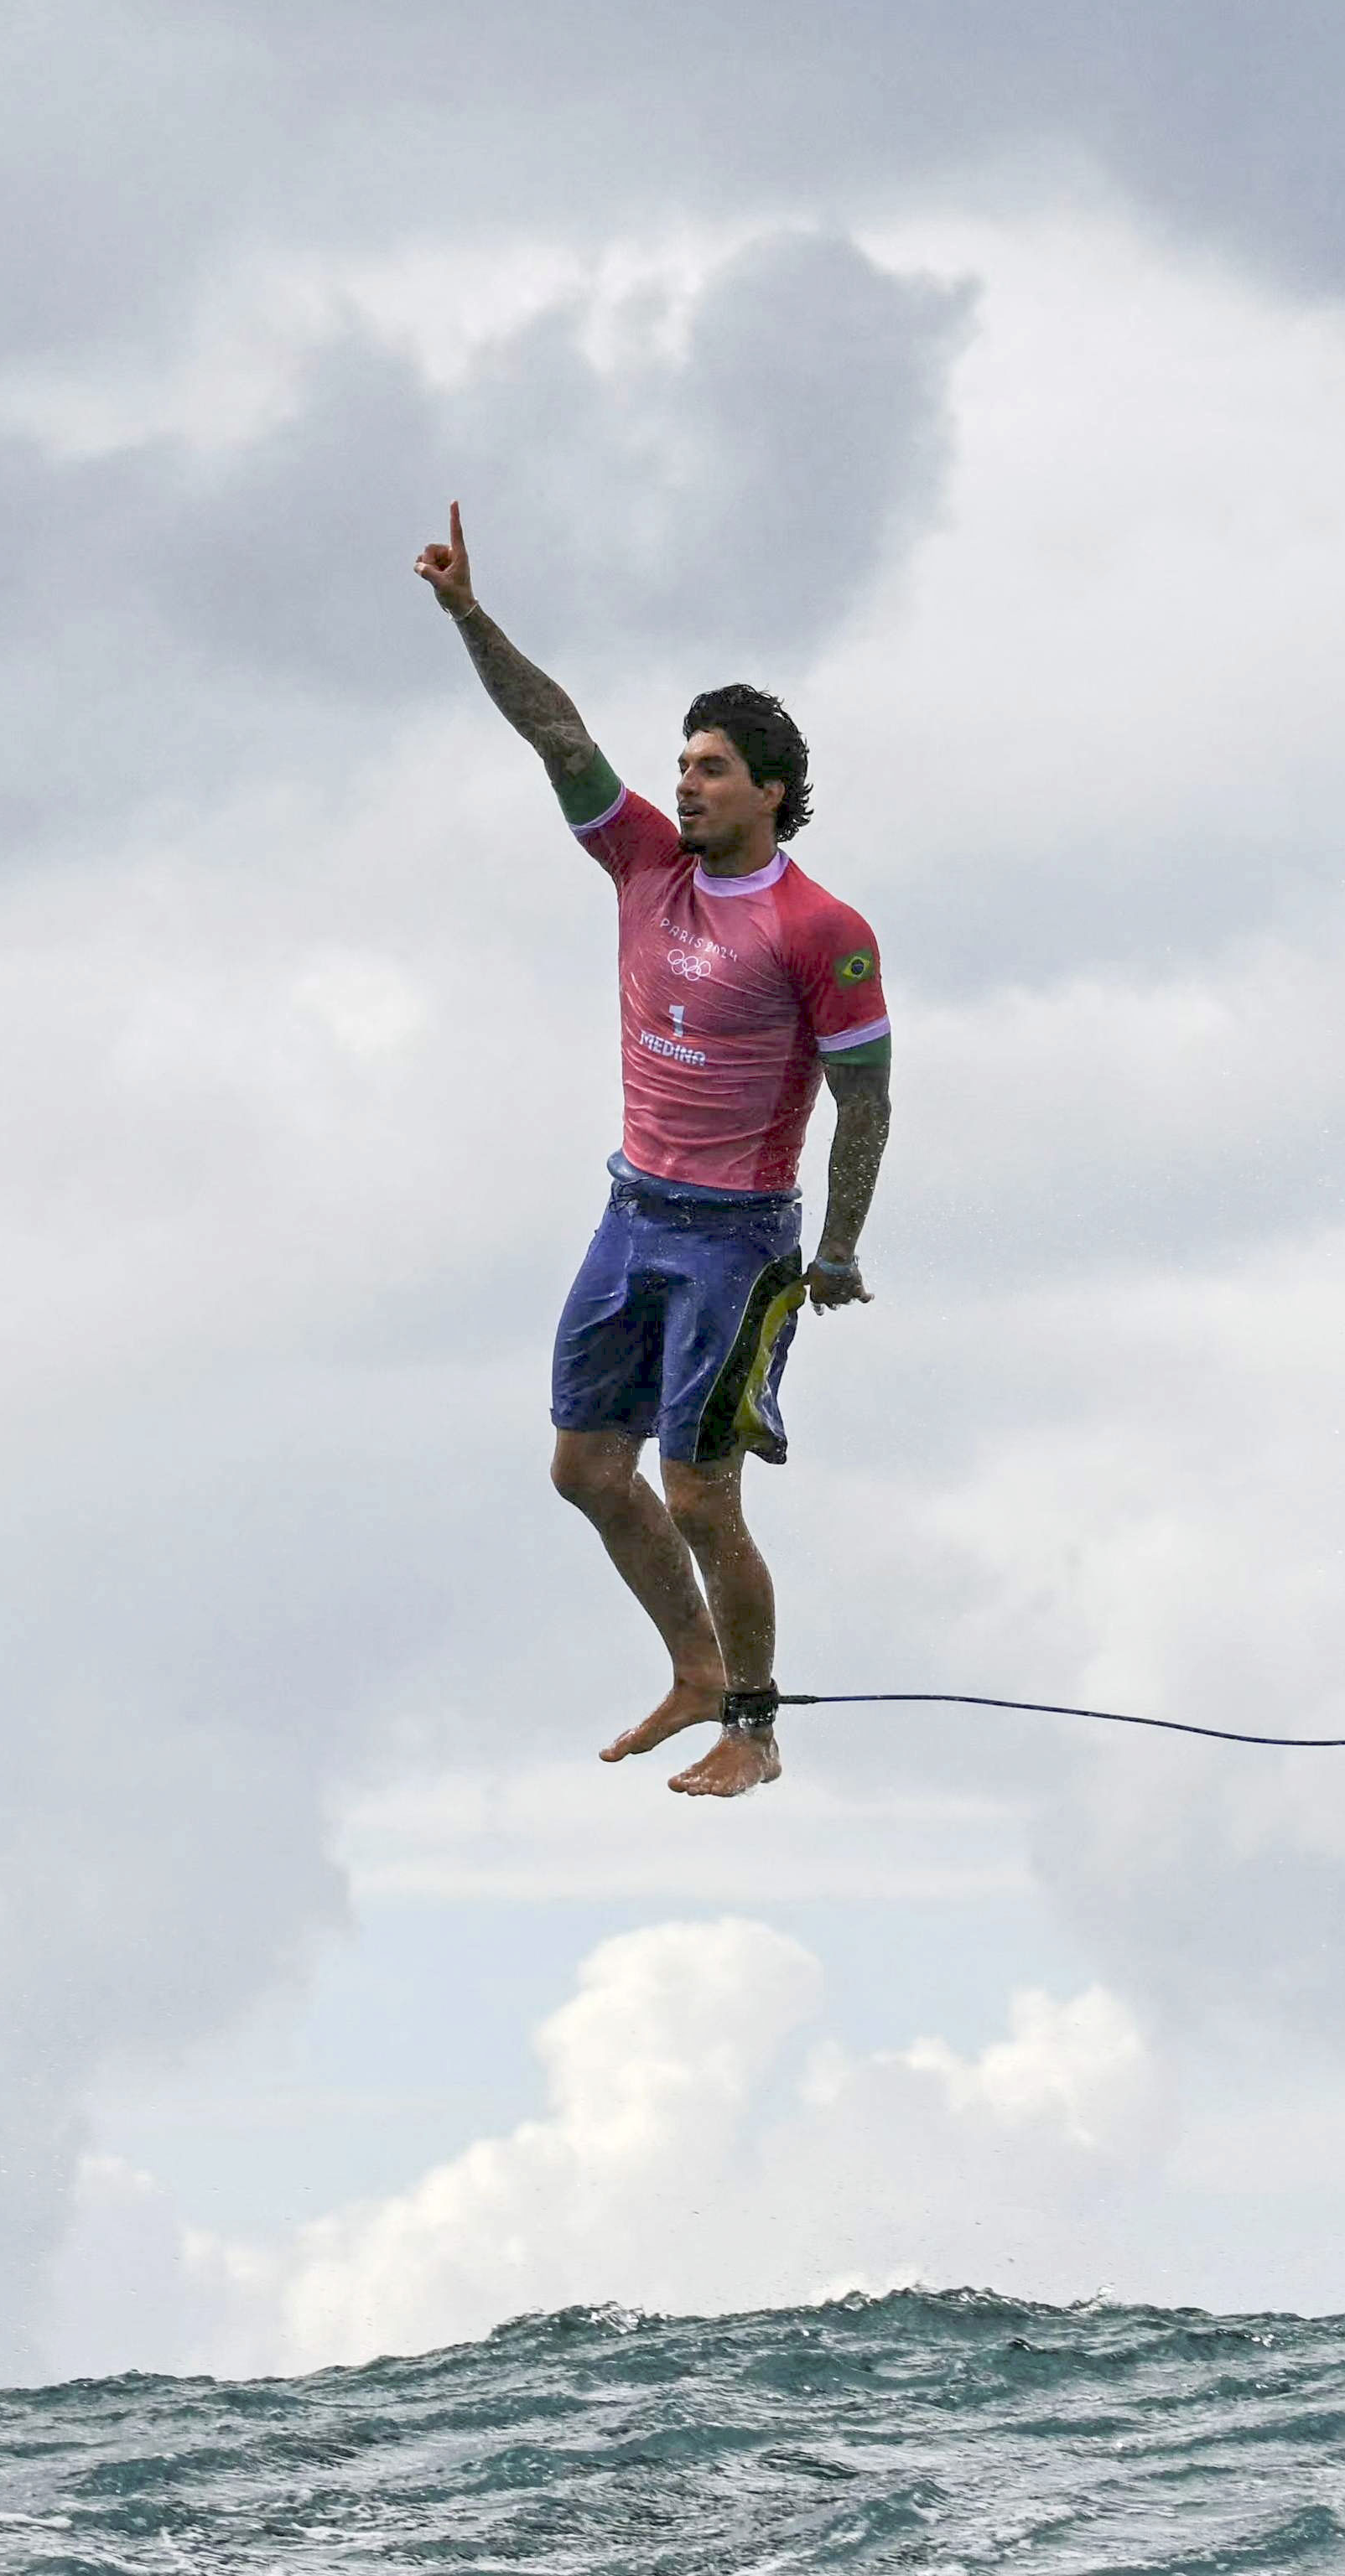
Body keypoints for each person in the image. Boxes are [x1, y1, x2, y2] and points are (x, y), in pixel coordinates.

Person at [414, 503, 891, 1801]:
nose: (684, 783)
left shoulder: (820, 927)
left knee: (699, 1492)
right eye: (681, 763)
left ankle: (753, 1721)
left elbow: (867, 1100)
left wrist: (837, 1247)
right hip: (632, 1210)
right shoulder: (641, 863)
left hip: (736, 1241)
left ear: (773, 792)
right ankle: (691, 1666)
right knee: (584, 1468)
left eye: (712, 768)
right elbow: (555, 731)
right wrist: (467, 614)